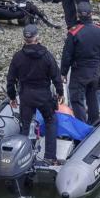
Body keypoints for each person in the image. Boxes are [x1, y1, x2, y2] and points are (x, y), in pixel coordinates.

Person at [6, 23, 65, 164]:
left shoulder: (18, 57)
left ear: (24, 39)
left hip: (26, 96)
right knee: (50, 121)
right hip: (43, 96)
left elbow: (11, 80)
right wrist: (60, 92)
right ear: (37, 38)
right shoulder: (47, 56)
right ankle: (50, 157)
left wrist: (12, 97)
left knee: (25, 125)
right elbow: (56, 77)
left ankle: (23, 157)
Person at [60, 1, 100, 124]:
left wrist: (63, 73)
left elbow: (67, 55)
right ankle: (94, 120)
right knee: (92, 96)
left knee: (77, 99)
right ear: (91, 14)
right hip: (95, 71)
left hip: (80, 72)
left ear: (78, 15)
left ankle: (81, 126)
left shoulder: (74, 32)